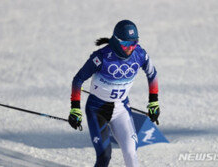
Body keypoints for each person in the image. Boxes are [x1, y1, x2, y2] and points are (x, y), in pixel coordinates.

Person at [68, 20, 160, 167]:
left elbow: (152, 74)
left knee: (131, 152)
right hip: (97, 110)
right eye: (126, 45)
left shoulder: (140, 54)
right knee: (105, 156)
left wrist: (154, 102)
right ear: (116, 42)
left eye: (134, 43)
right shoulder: (101, 57)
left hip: (121, 109)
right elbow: (78, 80)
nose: (130, 49)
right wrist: (75, 109)